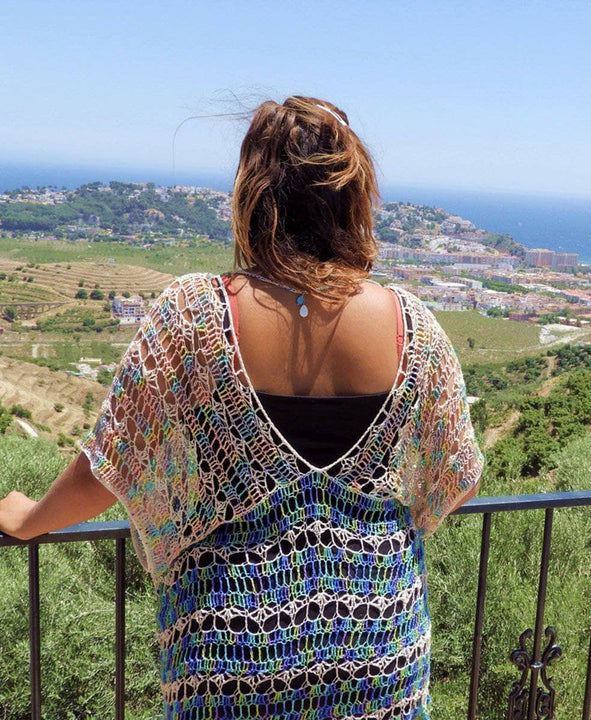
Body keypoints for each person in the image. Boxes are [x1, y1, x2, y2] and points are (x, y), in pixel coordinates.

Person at [0, 96, 484, 720]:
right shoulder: (414, 327)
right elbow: (458, 479)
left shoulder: (194, 316)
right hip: (380, 654)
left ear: (253, 195)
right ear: (353, 199)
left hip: (229, 656)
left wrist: (28, 519)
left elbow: (111, 465)